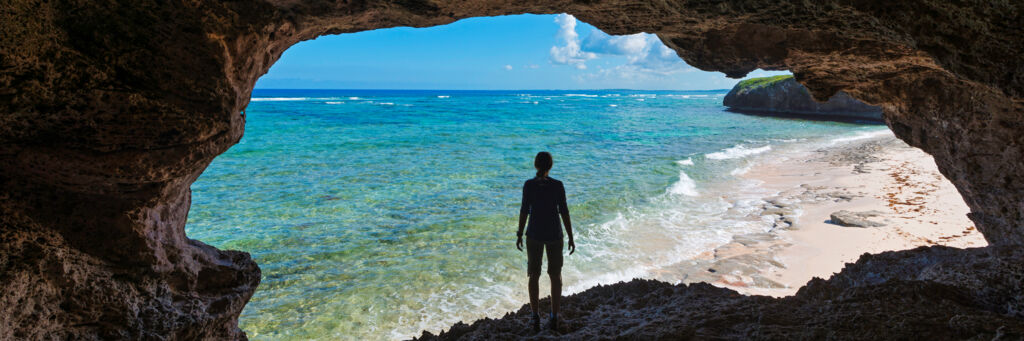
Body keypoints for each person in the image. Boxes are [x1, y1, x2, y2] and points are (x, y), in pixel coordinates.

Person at [516, 151, 575, 332]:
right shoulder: (558, 185)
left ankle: (535, 317)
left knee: (533, 275)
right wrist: (571, 236)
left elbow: (524, 210)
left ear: (536, 165)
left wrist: (519, 233)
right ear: (550, 166)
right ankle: (554, 316)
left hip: (534, 234)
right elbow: (564, 212)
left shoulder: (529, 185)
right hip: (554, 234)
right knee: (555, 276)